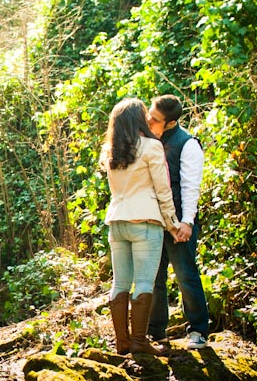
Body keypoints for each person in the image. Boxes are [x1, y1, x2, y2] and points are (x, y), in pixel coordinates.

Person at [101, 98, 181, 356]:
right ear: (139, 120)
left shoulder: (111, 150)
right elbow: (162, 189)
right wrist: (173, 224)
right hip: (145, 222)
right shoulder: (151, 147)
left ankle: (122, 342)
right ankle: (139, 342)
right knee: (145, 282)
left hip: (117, 222)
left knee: (120, 283)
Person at [146, 94, 210, 350]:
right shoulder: (150, 140)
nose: (149, 120)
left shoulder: (188, 144)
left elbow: (190, 186)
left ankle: (197, 330)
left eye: (155, 118)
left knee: (185, 275)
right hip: (153, 219)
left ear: (170, 122)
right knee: (154, 277)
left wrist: (187, 222)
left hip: (179, 220)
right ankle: (156, 332)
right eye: (149, 114)